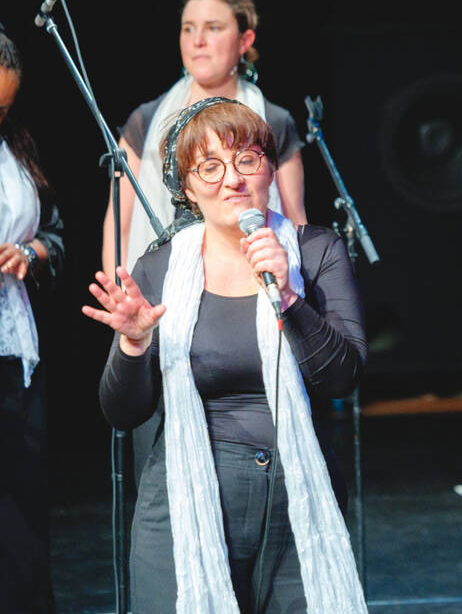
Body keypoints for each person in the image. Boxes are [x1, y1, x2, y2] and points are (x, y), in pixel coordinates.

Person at [85, 99, 367, 613]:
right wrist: (133, 345)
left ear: (270, 171)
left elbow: (342, 377)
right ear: (187, 189)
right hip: (187, 498)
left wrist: (289, 296)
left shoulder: (316, 252)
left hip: (297, 496)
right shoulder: (159, 269)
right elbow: (123, 413)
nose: (232, 180)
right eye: (210, 167)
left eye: (247, 160)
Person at [100, 0, 309, 487]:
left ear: (245, 40)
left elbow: (296, 219)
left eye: (213, 28)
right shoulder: (147, 120)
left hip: (253, 307)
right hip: (164, 308)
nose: (197, 40)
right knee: (162, 458)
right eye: (188, 28)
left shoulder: (273, 121)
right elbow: (117, 220)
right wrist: (123, 301)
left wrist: (296, 300)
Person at [0, 24, 64, 613]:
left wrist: (31, 252)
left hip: (15, 347)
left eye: (3, 107)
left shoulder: (17, 148)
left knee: (21, 495)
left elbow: (55, 234)